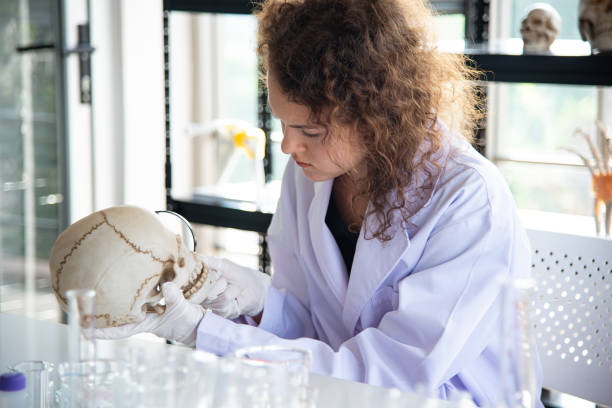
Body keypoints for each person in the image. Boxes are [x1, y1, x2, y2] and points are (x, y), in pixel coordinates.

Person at [97, 0, 543, 406]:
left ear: (375, 111)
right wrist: (249, 301)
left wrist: (201, 332)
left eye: (310, 131)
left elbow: (394, 377)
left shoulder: (468, 200)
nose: (289, 146)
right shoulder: (313, 173)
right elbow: (315, 327)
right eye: (283, 123)